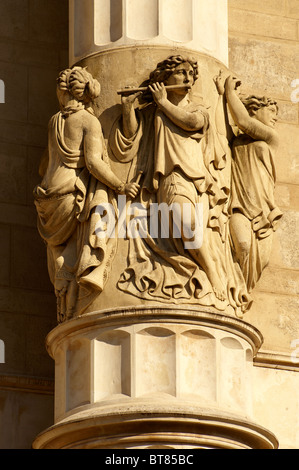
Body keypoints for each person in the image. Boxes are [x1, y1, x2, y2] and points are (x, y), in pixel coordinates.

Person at [110, 56, 250, 314]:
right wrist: (128, 108)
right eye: (180, 73)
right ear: (164, 79)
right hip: (168, 177)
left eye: (190, 74)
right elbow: (131, 137)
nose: (187, 78)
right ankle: (209, 271)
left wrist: (163, 102)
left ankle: (212, 272)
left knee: (189, 226)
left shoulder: (197, 109)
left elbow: (192, 123)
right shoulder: (154, 111)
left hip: (194, 179)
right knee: (185, 224)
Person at [34, 66, 140, 321]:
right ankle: (75, 299)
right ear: (86, 93)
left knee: (63, 255)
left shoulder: (55, 121)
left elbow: (42, 166)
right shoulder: (88, 121)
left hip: (48, 197)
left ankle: (65, 307)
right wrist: (120, 186)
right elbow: (93, 163)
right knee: (105, 222)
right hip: (71, 194)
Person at [223, 75, 283, 291]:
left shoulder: (270, 139)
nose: (275, 118)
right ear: (255, 108)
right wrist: (229, 94)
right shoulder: (234, 141)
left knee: (259, 259)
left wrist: (229, 94)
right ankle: (234, 287)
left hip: (262, 213)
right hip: (239, 206)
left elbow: (244, 122)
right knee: (242, 245)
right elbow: (241, 123)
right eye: (272, 111)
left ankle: (242, 293)